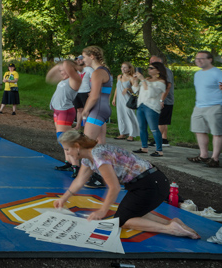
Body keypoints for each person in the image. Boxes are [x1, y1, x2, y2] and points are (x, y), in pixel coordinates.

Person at [54, 131, 199, 239]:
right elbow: (79, 181)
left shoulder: (98, 156)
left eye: (67, 149)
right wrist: (64, 198)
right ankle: (172, 222)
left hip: (149, 184)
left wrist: (102, 211)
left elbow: (114, 187)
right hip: (151, 182)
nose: (66, 153)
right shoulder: (89, 158)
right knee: (132, 212)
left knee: (121, 220)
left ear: (77, 146)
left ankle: (171, 229)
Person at [46, 59, 82, 175]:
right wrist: (58, 67)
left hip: (65, 111)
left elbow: (69, 68)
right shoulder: (64, 79)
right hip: (58, 111)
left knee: (63, 139)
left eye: (63, 70)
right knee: (64, 138)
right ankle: (69, 163)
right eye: (60, 70)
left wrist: (67, 64)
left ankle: (77, 166)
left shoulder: (74, 79)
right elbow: (49, 78)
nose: (61, 72)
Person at [188, 50, 222, 168]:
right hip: (199, 106)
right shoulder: (197, 74)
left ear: (210, 59)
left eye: (202, 58)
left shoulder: (217, 73)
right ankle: (203, 155)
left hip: (215, 106)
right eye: (197, 59)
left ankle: (215, 159)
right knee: (199, 130)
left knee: (217, 133)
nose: (198, 61)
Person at [132, 60, 168, 157]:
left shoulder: (161, 82)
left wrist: (143, 80)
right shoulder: (147, 79)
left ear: (158, 71)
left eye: (151, 68)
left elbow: (151, 94)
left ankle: (159, 150)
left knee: (154, 129)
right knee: (142, 128)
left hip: (151, 107)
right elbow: (136, 91)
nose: (149, 70)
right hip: (141, 105)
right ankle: (144, 147)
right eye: (148, 68)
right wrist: (135, 81)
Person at [80, 46, 112, 145]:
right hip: (103, 108)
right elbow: (107, 92)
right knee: (100, 145)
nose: (83, 60)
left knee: (87, 145)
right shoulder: (105, 70)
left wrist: (85, 111)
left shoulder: (97, 73)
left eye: (84, 57)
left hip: (97, 110)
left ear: (92, 56)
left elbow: (94, 96)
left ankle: (86, 161)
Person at [148, 55, 175, 147]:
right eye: (150, 61)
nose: (151, 62)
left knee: (161, 121)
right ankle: (164, 139)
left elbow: (168, 86)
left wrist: (161, 100)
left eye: (153, 61)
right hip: (159, 99)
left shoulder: (166, 71)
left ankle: (157, 140)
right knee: (163, 120)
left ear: (160, 61)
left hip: (166, 100)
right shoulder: (156, 72)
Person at [112, 62, 139, 142]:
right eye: (122, 67)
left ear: (129, 69)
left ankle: (131, 134)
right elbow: (117, 87)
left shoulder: (131, 78)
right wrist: (114, 98)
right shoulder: (119, 77)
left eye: (125, 67)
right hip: (119, 99)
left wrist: (128, 89)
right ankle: (123, 132)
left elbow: (135, 90)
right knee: (121, 115)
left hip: (127, 98)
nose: (122, 69)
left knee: (129, 115)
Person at [73, 55, 92, 128]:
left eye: (80, 59)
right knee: (79, 109)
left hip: (86, 91)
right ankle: (78, 126)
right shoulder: (76, 70)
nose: (78, 61)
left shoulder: (89, 69)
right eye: (77, 60)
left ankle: (87, 126)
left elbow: (93, 80)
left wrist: (92, 90)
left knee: (86, 110)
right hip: (77, 91)